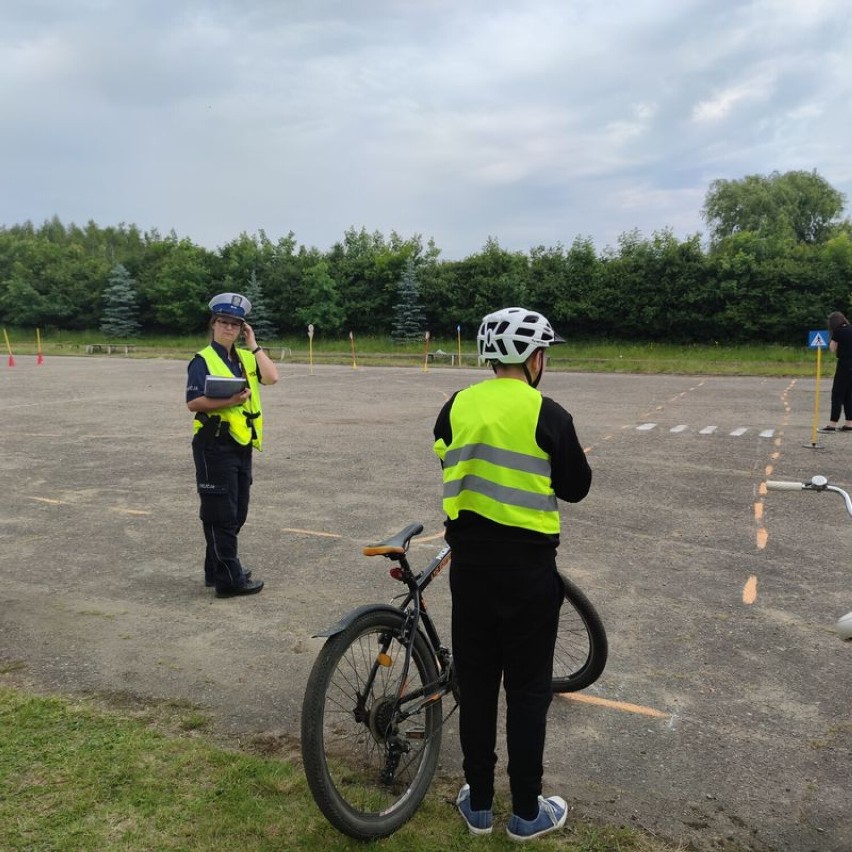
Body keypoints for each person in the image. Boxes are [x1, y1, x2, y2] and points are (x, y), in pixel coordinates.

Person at [433, 307, 592, 841]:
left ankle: (477, 803)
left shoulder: (456, 406)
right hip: (528, 574)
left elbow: (445, 456)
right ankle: (526, 811)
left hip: (470, 571)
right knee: (527, 692)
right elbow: (576, 487)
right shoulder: (549, 414)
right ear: (533, 358)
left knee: (476, 687)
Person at [185, 293, 279, 597]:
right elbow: (194, 402)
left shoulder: (245, 357)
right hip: (214, 444)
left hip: (241, 444)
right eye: (224, 322)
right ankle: (229, 579)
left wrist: (253, 343)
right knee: (220, 514)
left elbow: (272, 377)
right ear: (213, 324)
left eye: (235, 324)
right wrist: (230, 400)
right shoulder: (203, 360)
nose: (229, 328)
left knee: (236, 512)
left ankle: (216, 569)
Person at [819, 311, 852, 432]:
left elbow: (832, 349)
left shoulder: (838, 332)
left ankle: (832, 424)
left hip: (844, 365)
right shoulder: (850, 328)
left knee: (837, 394)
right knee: (848, 394)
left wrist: (832, 338)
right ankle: (849, 423)